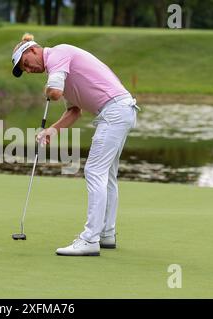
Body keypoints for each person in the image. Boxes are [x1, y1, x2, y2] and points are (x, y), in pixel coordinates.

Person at [11, 33, 139, 256]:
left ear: (32, 50)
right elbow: (74, 111)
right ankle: (106, 233)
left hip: (115, 111)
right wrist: (52, 130)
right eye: (25, 70)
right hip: (121, 110)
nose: (29, 70)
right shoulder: (59, 69)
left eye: (26, 65)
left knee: (94, 170)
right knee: (107, 174)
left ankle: (90, 239)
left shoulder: (58, 54)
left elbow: (55, 92)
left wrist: (48, 91)